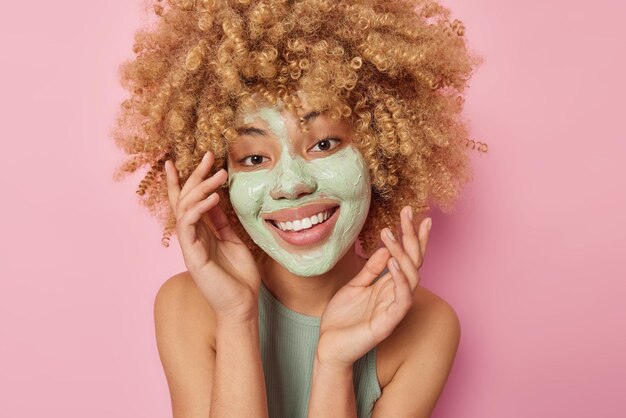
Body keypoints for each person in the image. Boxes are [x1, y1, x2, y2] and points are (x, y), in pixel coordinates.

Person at [111, 0, 487, 416]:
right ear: (219, 180)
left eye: (324, 143)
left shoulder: (425, 326)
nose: (291, 185)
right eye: (254, 158)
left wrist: (334, 364)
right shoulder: (187, 305)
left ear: (381, 152)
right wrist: (237, 319)